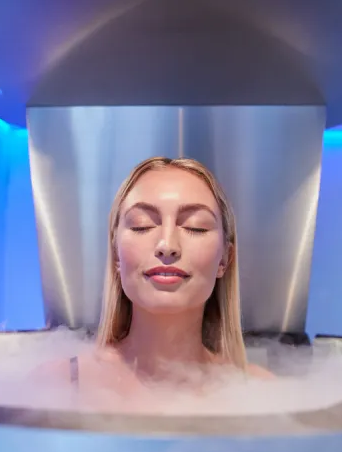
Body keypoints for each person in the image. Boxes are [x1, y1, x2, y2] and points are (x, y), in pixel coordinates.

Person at [26, 156, 274, 412]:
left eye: (196, 227)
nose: (167, 245)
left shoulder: (260, 392)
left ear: (225, 259)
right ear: (116, 255)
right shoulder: (56, 384)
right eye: (141, 226)